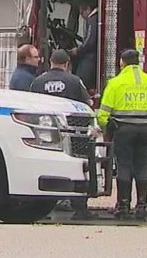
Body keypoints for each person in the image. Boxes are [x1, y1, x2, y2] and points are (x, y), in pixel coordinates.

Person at [96, 49, 147, 220]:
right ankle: (142, 205)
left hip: (123, 129)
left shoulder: (115, 83)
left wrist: (107, 128)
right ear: (139, 62)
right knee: (143, 166)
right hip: (146, 130)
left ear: (122, 62)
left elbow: (103, 114)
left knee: (124, 166)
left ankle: (123, 205)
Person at [30, 49, 96, 220]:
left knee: (45, 168)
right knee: (77, 167)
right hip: (73, 134)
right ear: (67, 64)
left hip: (45, 133)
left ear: (50, 62)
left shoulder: (38, 81)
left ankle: (43, 209)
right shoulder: (74, 81)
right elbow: (88, 102)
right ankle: (80, 208)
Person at [70, 0, 99, 91]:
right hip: (93, 56)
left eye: (82, 13)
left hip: (90, 57)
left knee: (82, 79)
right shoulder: (96, 18)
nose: (82, 16)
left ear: (88, 9)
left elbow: (90, 40)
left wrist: (78, 51)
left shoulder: (92, 19)